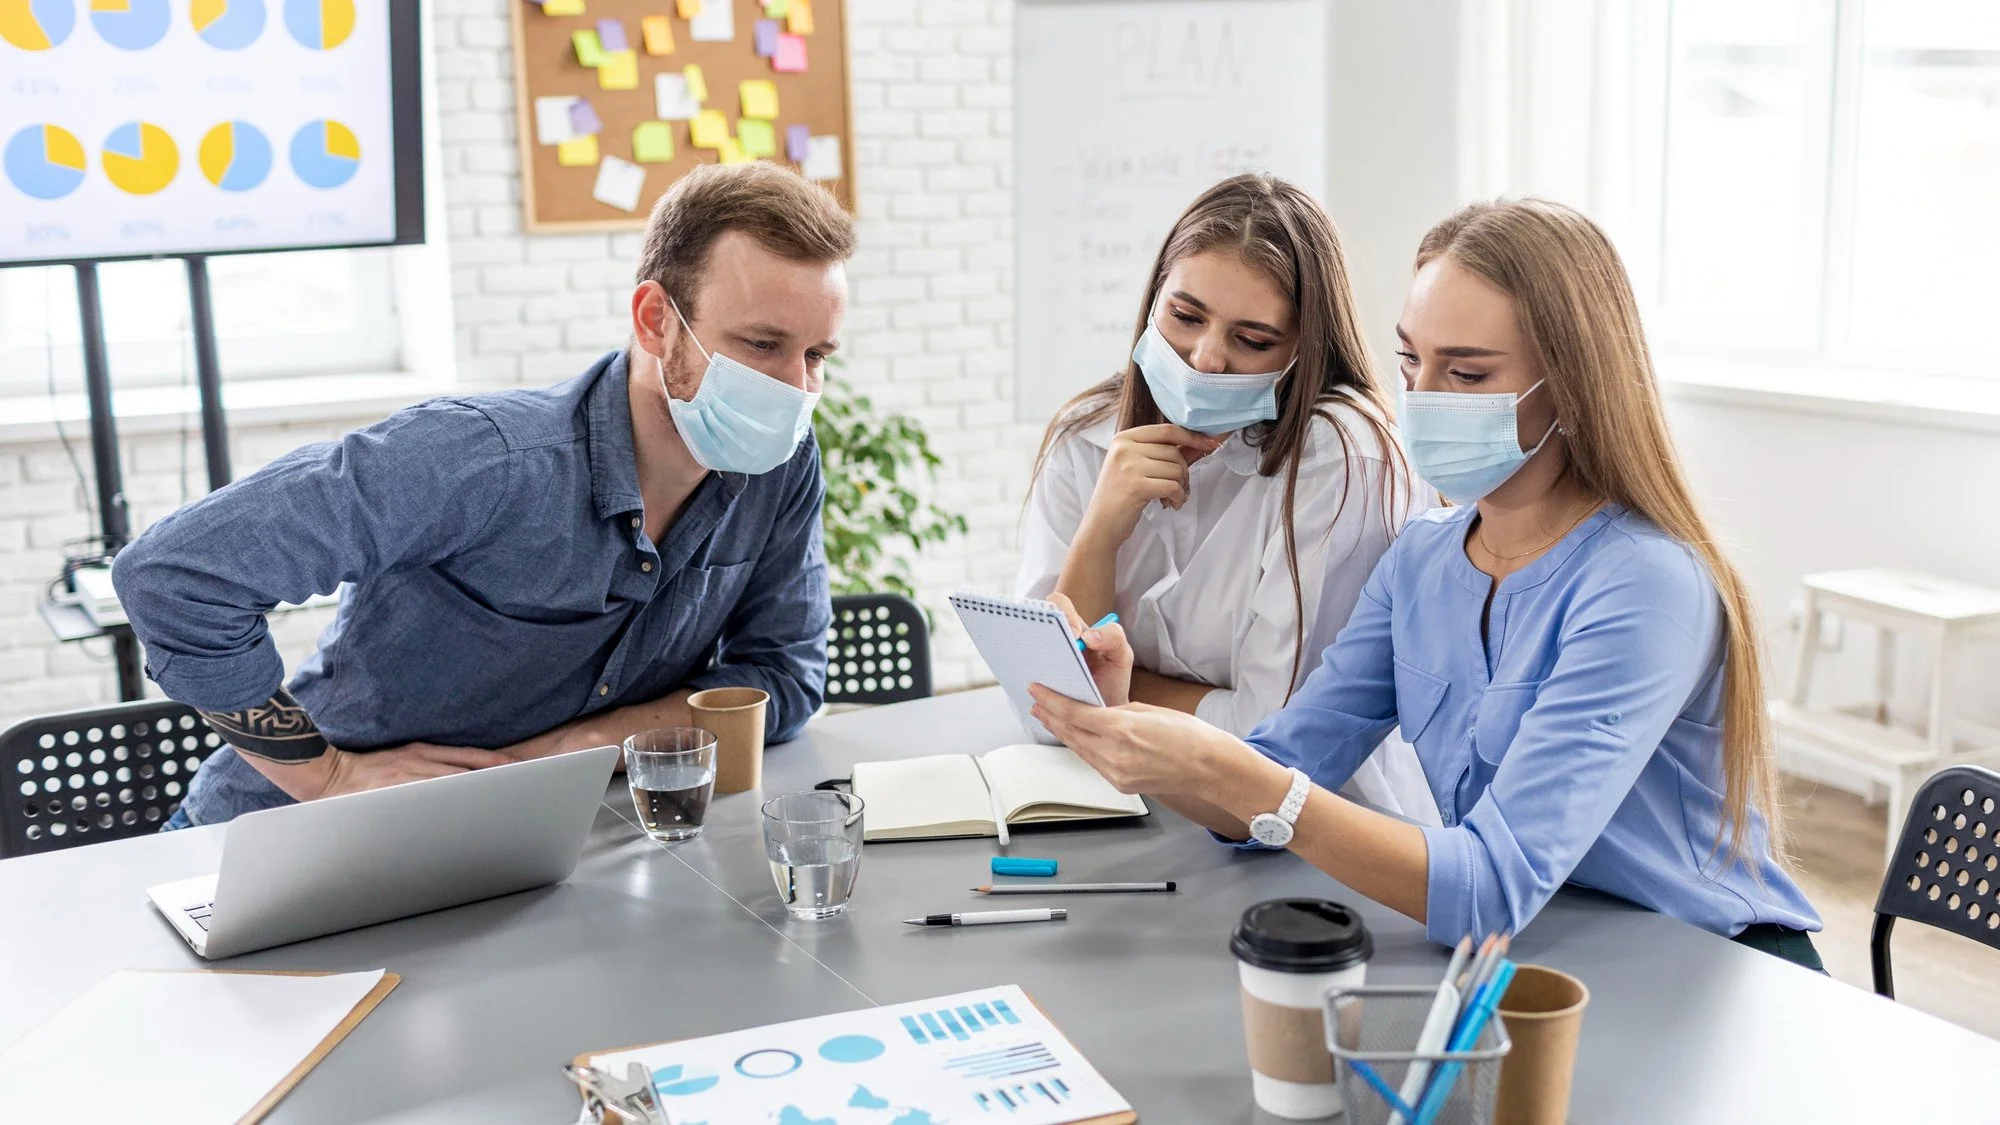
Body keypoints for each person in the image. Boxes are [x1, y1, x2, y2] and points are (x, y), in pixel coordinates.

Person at [1028, 199, 1826, 970]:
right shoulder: (1424, 560)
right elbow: (1269, 781)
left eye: (1468, 373)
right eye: (1411, 359)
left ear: (1575, 388)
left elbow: (1488, 884)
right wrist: (1133, 721)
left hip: (1715, 969)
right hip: (1544, 958)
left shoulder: (1647, 585)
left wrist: (1227, 769)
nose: (1422, 397)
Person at [114, 163, 853, 827]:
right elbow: (174, 574)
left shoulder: (780, 470)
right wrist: (328, 774)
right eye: (762, 345)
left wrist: (591, 743)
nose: (797, 388)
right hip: (285, 839)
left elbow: (781, 676)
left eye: (816, 354)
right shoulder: (482, 459)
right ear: (656, 320)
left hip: (522, 838)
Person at [1017, 174, 1437, 822]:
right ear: (1154, 299)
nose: (1206, 357)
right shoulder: (1086, 436)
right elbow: (1046, 707)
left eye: (1253, 340)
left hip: (1310, 839)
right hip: (1127, 812)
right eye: (1185, 316)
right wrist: (1100, 532)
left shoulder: (1344, 456)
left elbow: (1270, 742)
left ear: (1305, 348)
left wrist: (1116, 694)